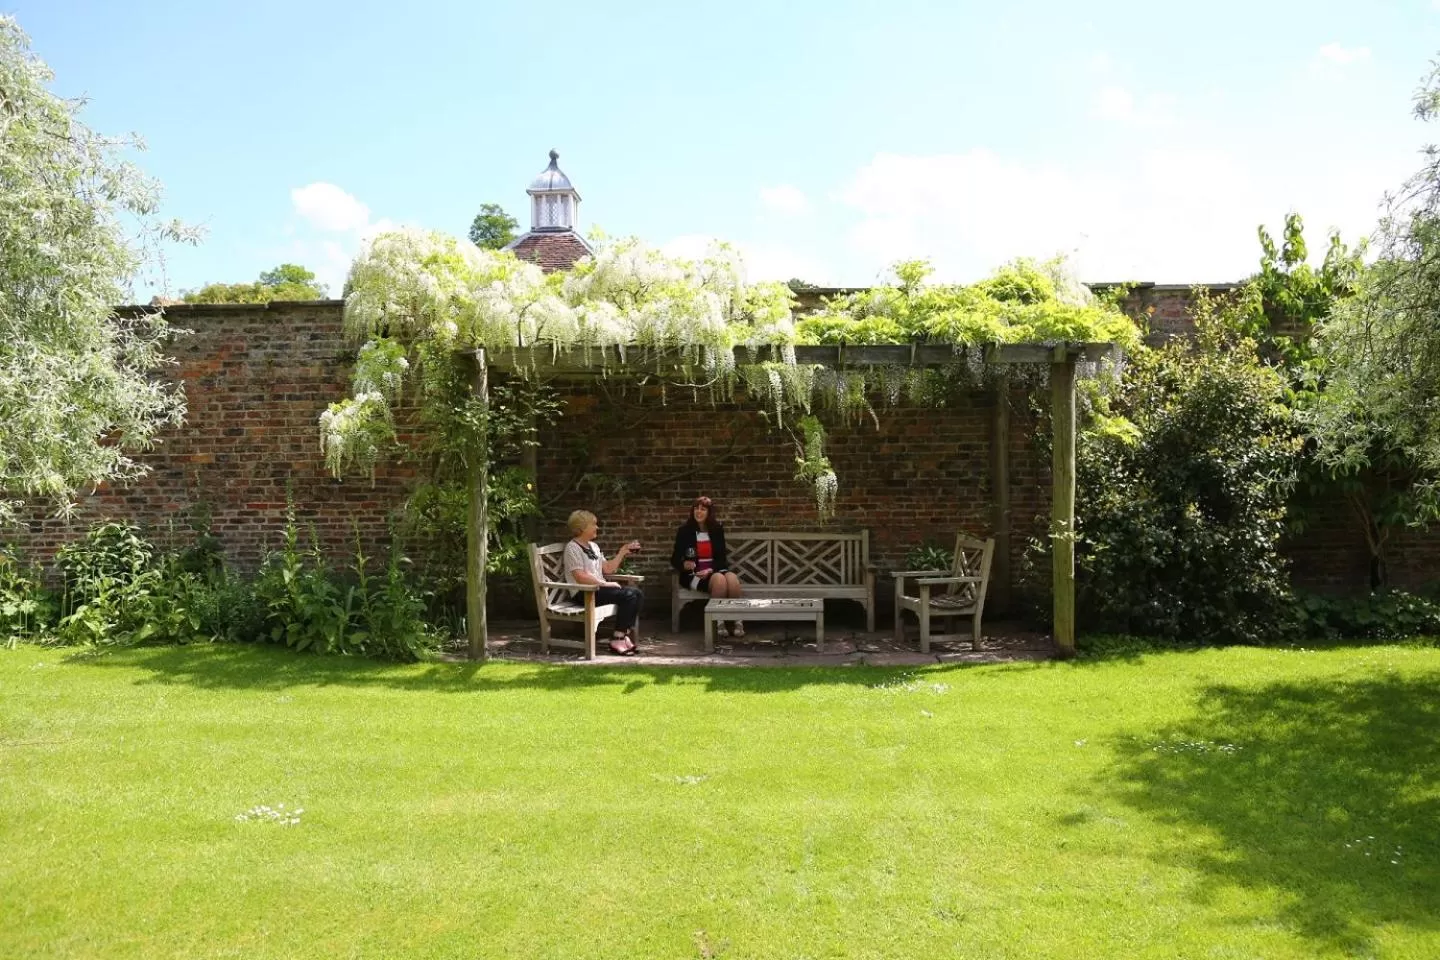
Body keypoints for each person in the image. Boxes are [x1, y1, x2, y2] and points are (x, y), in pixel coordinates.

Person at [562, 510, 644, 656]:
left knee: (637, 593)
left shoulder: (594, 546)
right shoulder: (572, 548)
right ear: (581, 527)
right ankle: (618, 638)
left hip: (597, 590)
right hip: (584, 592)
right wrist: (604, 584)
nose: (597, 527)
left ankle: (622, 635)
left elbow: (608, 569)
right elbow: (580, 577)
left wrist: (622, 552)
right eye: (594, 524)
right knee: (628, 595)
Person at [670, 495, 745, 638]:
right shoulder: (685, 531)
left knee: (732, 578)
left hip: (714, 569)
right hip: (695, 574)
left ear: (709, 513)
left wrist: (710, 570)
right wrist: (683, 564)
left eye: (703, 509)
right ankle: (719, 622)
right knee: (719, 580)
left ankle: (738, 622)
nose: (698, 512)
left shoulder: (717, 529)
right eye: (696, 509)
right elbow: (674, 559)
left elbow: (722, 558)